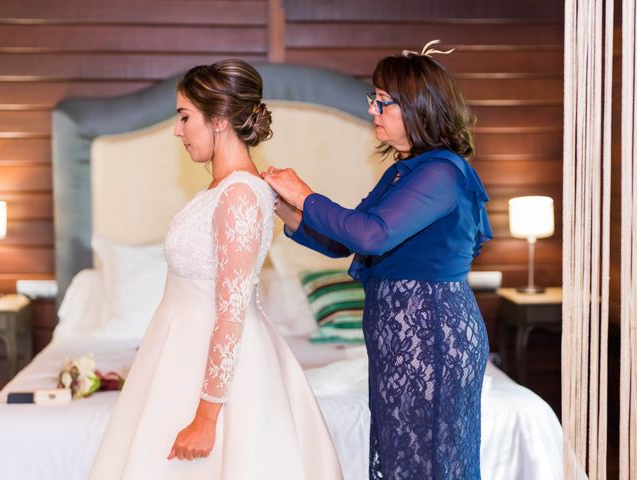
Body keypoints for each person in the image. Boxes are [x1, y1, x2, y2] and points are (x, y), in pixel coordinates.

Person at [89, 59, 343, 480]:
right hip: (180, 353)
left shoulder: (240, 193)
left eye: (185, 116)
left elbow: (231, 311)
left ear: (220, 119)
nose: (177, 130)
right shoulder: (221, 189)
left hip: (218, 369)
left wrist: (206, 418)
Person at [262, 43, 493, 479]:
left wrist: (305, 194)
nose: (373, 110)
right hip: (399, 340)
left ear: (419, 109)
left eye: (382, 101)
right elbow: (346, 242)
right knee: (401, 460)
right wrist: (285, 207)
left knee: (430, 464)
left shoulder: (441, 173)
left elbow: (373, 232)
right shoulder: (404, 171)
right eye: (374, 99)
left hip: (431, 340)